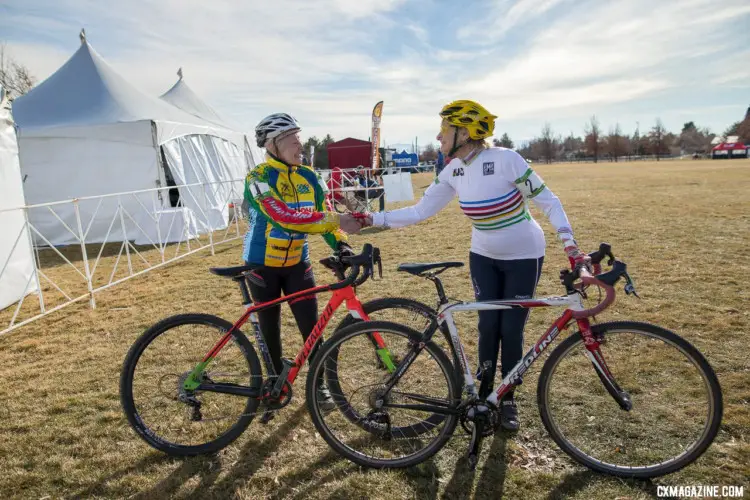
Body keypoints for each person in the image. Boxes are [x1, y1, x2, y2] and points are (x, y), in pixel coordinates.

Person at [342, 100, 587, 431]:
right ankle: (486, 395)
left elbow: (549, 201)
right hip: (483, 256)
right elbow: (419, 211)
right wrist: (370, 217)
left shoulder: (505, 160)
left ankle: (508, 399)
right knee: (488, 328)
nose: (439, 136)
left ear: (465, 132)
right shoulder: (453, 170)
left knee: (511, 330)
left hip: (524, 255)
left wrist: (570, 243)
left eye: (445, 129)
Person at [243, 113, 362, 415]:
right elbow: (282, 215)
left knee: (312, 328)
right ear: (272, 144)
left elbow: (323, 216)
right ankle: (273, 385)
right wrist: (336, 220)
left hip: (298, 262)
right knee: (270, 328)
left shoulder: (310, 177)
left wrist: (342, 244)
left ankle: (318, 386)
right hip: (262, 264)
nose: (300, 144)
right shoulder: (257, 178)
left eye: (300, 137)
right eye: (292, 139)